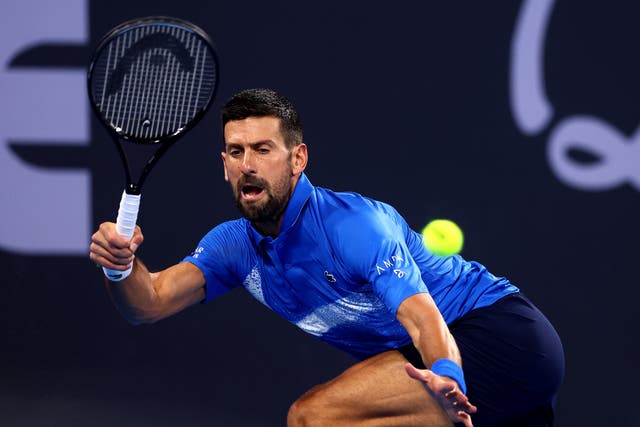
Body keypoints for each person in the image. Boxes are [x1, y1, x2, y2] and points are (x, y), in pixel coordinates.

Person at [90, 88, 565, 427]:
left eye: (262, 149)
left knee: (315, 417)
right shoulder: (231, 246)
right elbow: (147, 304)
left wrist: (446, 375)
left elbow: (423, 320)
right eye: (235, 152)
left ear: (298, 159)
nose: (247, 165)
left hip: (500, 340)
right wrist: (121, 267)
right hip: (439, 360)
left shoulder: (354, 225)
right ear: (224, 165)